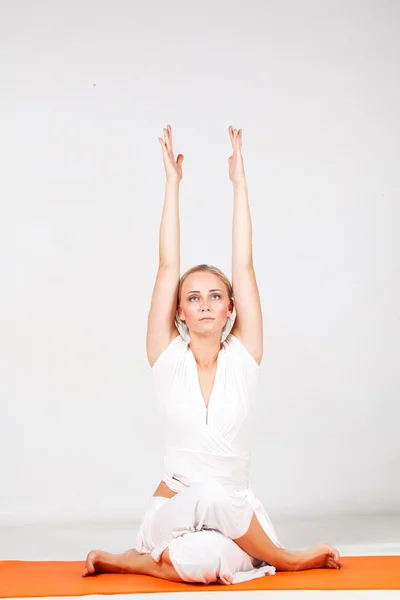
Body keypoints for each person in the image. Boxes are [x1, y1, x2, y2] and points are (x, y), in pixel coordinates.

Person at [82, 125, 342, 584]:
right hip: (173, 510)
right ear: (179, 309)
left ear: (231, 307)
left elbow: (244, 265)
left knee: (202, 563)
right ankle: (288, 558)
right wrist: (172, 185)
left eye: (216, 296)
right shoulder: (166, 357)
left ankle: (131, 560)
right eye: (194, 297)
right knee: (207, 494)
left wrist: (239, 184)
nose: (205, 303)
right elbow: (167, 265)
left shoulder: (245, 356)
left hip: (236, 516)